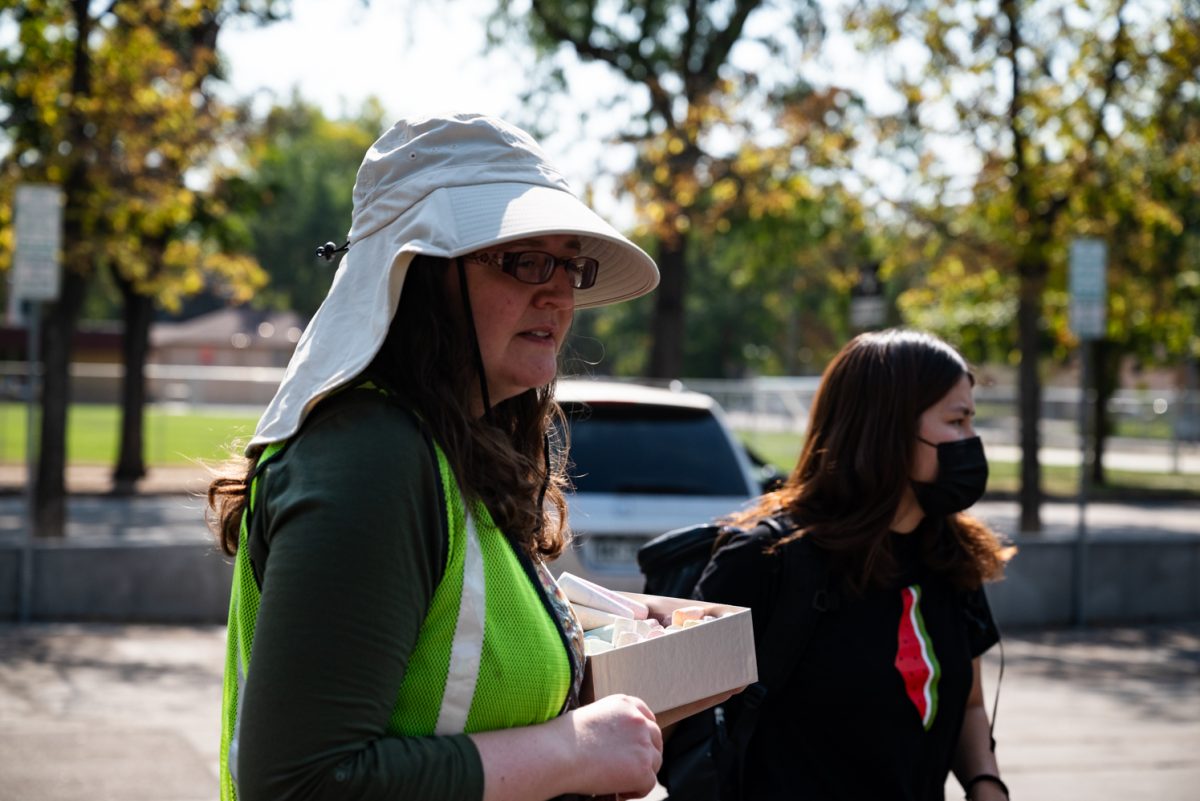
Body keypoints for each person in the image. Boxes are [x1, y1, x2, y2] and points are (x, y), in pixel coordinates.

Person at [207, 113, 666, 801]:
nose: (559, 293)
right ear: (419, 277)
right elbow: (300, 783)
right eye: (524, 259)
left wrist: (596, 620)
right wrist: (573, 751)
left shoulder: (441, 448)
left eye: (569, 263)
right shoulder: (373, 457)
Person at [688, 329, 1014, 801]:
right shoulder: (766, 561)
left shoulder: (949, 553)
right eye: (957, 420)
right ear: (889, 426)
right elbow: (677, 719)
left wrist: (987, 785)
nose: (972, 441)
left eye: (971, 421)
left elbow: (969, 705)